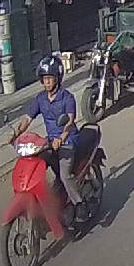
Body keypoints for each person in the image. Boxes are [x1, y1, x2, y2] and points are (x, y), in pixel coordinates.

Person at [9, 56, 83, 209]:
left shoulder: (67, 98)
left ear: (58, 78)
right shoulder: (40, 99)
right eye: (44, 79)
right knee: (34, 163)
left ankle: (79, 203)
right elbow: (28, 119)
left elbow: (69, 121)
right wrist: (16, 133)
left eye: (50, 78)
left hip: (68, 141)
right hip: (50, 142)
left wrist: (61, 138)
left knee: (65, 175)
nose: (47, 82)